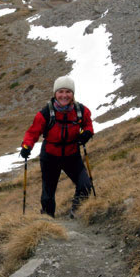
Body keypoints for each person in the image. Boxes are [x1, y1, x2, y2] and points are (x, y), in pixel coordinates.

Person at [20, 76, 94, 218]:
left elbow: (88, 125)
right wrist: (26, 146)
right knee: (48, 195)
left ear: (73, 94)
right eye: (61, 91)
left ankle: (76, 214)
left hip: (72, 156)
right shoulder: (45, 113)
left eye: (68, 92)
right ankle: (48, 222)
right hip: (50, 157)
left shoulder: (81, 111)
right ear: (55, 94)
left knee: (85, 185)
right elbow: (32, 132)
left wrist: (87, 133)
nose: (64, 95)